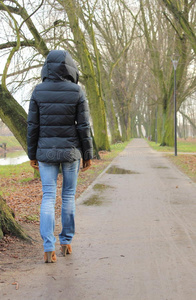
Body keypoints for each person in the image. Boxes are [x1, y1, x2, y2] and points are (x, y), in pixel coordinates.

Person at [27, 50, 93, 263]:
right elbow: (83, 126)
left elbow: (32, 126)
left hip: (45, 152)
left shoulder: (38, 91)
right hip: (71, 151)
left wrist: (32, 154)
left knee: (48, 196)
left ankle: (48, 247)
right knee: (67, 196)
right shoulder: (77, 91)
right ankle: (66, 242)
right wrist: (88, 153)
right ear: (70, 67)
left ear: (46, 68)